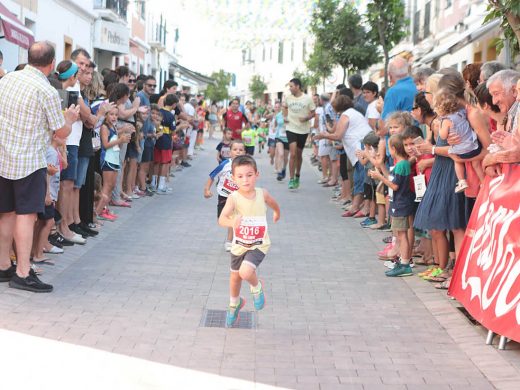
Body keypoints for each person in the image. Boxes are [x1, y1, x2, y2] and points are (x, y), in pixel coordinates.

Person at [0, 41, 79, 292]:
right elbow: (61, 131)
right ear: (52, 63)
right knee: (26, 215)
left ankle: (3, 266)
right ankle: (23, 272)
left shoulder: (6, 81)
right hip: (29, 160)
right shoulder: (46, 90)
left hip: (2, 157)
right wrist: (70, 118)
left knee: (6, 213)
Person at [218, 155, 280, 327]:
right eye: (240, 176)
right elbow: (221, 219)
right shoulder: (234, 198)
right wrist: (232, 222)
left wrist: (277, 212)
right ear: (233, 178)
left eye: (249, 175)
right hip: (239, 244)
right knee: (235, 278)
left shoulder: (262, 193)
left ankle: (256, 287)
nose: (245, 180)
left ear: (257, 174)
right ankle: (234, 304)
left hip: (259, 243)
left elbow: (273, 203)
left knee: (245, 273)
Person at [369, 134, 416, 277]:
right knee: (401, 234)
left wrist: (380, 178)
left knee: (402, 235)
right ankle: (402, 260)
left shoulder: (402, 164)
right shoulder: (403, 163)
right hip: (401, 202)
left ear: (394, 149)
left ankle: (405, 263)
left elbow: (395, 186)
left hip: (401, 203)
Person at [433, 89, 484, 192]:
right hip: (474, 147)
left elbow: (443, 136)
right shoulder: (462, 112)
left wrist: (439, 126)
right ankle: (483, 181)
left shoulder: (446, 120)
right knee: (476, 163)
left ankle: (461, 181)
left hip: (462, 152)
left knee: (456, 160)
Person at [204, 141, 246, 251]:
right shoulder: (225, 164)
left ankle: (230, 240)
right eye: (235, 149)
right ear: (230, 152)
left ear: (245, 152)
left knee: (235, 217)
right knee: (221, 219)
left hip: (238, 197)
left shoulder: (246, 166)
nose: (238, 152)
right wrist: (207, 189)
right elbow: (212, 175)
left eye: (240, 150)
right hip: (224, 195)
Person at [95, 106, 131, 220]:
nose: (114, 117)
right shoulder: (104, 127)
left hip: (114, 159)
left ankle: (104, 209)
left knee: (111, 186)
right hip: (107, 159)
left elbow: (116, 144)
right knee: (106, 186)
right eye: (111, 114)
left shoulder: (114, 127)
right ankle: (97, 212)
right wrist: (120, 140)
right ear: (106, 115)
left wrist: (122, 139)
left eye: (116, 115)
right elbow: (105, 144)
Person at [284, 78, 316, 190]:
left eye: (291, 86)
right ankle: (291, 179)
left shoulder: (307, 99)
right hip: (291, 128)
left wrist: (306, 118)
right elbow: (284, 107)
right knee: (292, 154)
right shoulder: (288, 98)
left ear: (297, 86)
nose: (290, 88)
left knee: (298, 154)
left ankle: (298, 175)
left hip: (303, 129)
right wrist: (285, 117)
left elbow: (313, 113)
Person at [381, 56, 417, 122]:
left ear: (390, 75)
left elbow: (386, 125)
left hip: (406, 131)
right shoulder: (418, 84)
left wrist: (381, 109)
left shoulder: (393, 92)